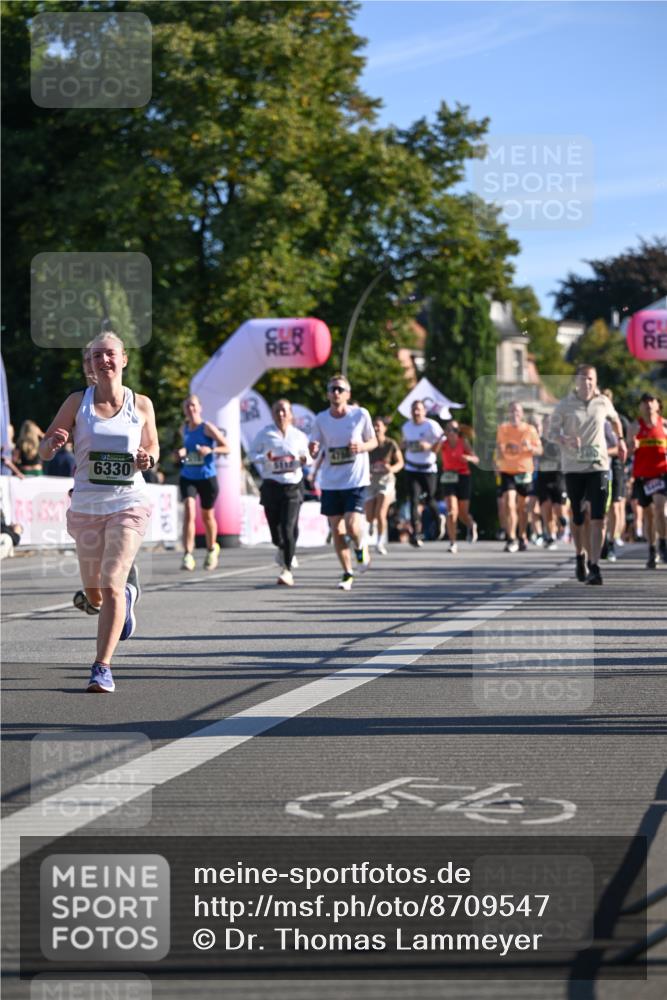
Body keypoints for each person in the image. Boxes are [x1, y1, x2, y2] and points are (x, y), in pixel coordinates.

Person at [38, 331, 159, 693]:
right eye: (95, 356)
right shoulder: (77, 402)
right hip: (87, 507)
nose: (103, 361)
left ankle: (101, 667)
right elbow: (44, 451)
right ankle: (127, 597)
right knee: (94, 595)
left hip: (128, 503)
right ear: (89, 364)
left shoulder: (141, 405)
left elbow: (152, 448)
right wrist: (54, 442)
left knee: (111, 583)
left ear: (124, 360)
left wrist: (147, 458)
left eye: (109, 354)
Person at [549, 365, 627, 585]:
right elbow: (551, 432)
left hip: (599, 465)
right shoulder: (564, 405)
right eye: (583, 379)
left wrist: (620, 441)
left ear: (596, 380)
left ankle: (594, 564)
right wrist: (564, 439)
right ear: (576, 381)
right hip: (573, 467)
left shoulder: (603, 402)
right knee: (578, 517)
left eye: (591, 379)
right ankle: (579, 555)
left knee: (598, 517)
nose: (587, 383)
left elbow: (615, 420)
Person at [309, 374, 377, 590]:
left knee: (351, 525)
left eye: (340, 389)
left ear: (348, 394)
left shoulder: (360, 415)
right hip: (330, 482)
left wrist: (361, 447)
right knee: (337, 530)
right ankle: (347, 573)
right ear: (328, 394)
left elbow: (373, 441)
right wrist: (312, 449)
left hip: (355, 479)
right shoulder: (321, 419)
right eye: (332, 389)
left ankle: (360, 546)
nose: (335, 393)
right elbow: (315, 447)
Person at [250, 398, 310, 586]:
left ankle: (287, 570)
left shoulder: (299, 435)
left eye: (284, 410)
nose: (281, 414)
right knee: (276, 534)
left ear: (291, 414)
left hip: (293, 485)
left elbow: (307, 457)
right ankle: (283, 548)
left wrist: (304, 458)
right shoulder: (265, 434)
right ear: (273, 414)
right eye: (277, 410)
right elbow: (252, 455)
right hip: (271, 486)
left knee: (288, 527)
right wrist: (264, 458)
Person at [175, 394, 229, 571]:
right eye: (187, 406)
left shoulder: (207, 428)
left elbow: (226, 447)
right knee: (189, 510)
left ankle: (212, 548)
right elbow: (183, 450)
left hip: (207, 477)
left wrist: (210, 449)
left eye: (193, 406)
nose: (190, 409)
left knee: (207, 516)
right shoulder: (183, 428)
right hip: (188, 476)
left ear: (200, 407)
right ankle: (187, 555)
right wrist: (181, 453)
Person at [495, 401, 542, 552]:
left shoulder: (530, 429)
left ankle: (522, 535)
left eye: (517, 411)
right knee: (509, 503)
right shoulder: (503, 429)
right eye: (512, 411)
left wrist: (530, 447)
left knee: (523, 508)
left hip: (524, 472)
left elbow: (540, 450)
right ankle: (511, 538)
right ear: (508, 413)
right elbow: (499, 448)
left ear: (521, 414)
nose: (514, 413)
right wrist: (497, 461)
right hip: (507, 471)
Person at [629, 392, 667, 569]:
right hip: (643, 476)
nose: (648, 405)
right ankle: (652, 549)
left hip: (661, 474)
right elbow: (627, 452)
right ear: (640, 407)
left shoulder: (664, 425)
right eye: (644, 402)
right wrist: (632, 446)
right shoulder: (635, 426)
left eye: (651, 402)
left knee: (660, 510)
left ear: (658, 405)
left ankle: (663, 544)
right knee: (649, 515)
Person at [401, 399, 445, 547]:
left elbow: (441, 441)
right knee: (413, 500)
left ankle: (438, 520)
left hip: (428, 468)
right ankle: (415, 533)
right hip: (411, 468)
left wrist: (430, 446)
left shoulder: (431, 425)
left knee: (429, 499)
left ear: (424, 411)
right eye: (414, 409)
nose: (416, 412)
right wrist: (405, 445)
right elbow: (404, 443)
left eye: (419, 409)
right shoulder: (406, 426)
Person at [365, 416, 403, 555]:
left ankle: (379, 542)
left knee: (381, 512)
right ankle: (371, 524)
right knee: (369, 515)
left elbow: (400, 462)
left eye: (379, 426)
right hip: (370, 481)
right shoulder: (368, 443)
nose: (376, 428)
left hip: (386, 481)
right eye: (374, 426)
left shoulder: (390, 444)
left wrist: (391, 469)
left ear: (384, 428)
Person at [439, 420, 478, 552]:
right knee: (451, 511)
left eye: (454, 430)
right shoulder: (443, 444)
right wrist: (439, 439)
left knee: (462, 513)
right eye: (449, 430)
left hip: (463, 477)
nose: (452, 433)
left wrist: (468, 458)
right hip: (448, 477)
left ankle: (471, 524)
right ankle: (452, 542)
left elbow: (476, 458)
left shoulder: (463, 442)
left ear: (458, 432)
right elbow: (433, 452)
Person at [534, 413, 567, 551]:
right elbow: (534, 454)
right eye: (546, 423)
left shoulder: (560, 440)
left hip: (558, 478)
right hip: (543, 477)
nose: (549, 426)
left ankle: (563, 520)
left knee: (558, 509)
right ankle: (551, 536)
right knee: (546, 508)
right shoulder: (539, 440)